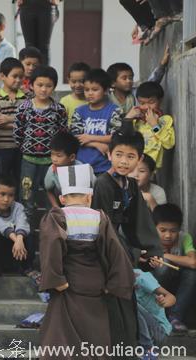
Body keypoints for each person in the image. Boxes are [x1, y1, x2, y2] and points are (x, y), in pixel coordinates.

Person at [39, 163, 135, 358]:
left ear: (62, 198)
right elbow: (115, 252)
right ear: (89, 197)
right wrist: (114, 283)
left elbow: (51, 246)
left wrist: (56, 279)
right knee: (95, 333)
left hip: (68, 283)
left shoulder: (57, 216)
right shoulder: (100, 217)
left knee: (61, 336)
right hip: (95, 283)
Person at [91, 125, 164, 350]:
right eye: (119, 155)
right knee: (112, 310)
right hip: (102, 257)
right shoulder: (103, 184)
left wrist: (152, 251)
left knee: (127, 308)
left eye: (130, 157)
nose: (124, 161)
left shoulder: (131, 185)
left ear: (139, 158)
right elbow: (102, 230)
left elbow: (139, 222)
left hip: (120, 252)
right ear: (109, 154)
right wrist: (132, 252)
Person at [13, 65, 67, 217]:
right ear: (31, 85)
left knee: (52, 199)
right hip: (28, 161)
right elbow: (18, 133)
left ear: (54, 87)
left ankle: (52, 232)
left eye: (48, 86)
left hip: (51, 162)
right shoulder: (23, 108)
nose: (43, 89)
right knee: (26, 196)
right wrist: (26, 148)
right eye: (39, 85)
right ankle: (25, 235)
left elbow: (62, 133)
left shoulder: (59, 109)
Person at [0, 176, 37, 285]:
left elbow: (22, 223)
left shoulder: (18, 207)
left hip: (19, 253)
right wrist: (17, 239)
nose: (6, 199)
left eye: (10, 195)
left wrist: (19, 238)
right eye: (2, 194)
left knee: (28, 232)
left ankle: (27, 268)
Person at [151, 203, 196, 334]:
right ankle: (156, 314)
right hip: (158, 285)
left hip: (177, 287)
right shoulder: (151, 239)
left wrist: (166, 255)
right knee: (162, 265)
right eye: (163, 230)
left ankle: (175, 317)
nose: (168, 236)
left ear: (179, 229)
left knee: (191, 273)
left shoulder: (184, 238)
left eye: (173, 230)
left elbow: (193, 262)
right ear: (155, 228)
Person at [70, 68, 122, 175]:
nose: (90, 93)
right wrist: (98, 145)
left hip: (106, 166)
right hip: (81, 165)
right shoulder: (80, 111)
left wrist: (89, 138)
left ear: (106, 90)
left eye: (94, 90)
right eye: (87, 90)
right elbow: (75, 137)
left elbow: (116, 137)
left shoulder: (114, 110)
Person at [0, 57, 26, 179]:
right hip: (2, 147)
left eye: (21, 77)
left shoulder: (27, 97)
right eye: (14, 76)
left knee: (19, 180)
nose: (18, 80)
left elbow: (29, 120)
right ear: (3, 76)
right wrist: (20, 122)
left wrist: (9, 119)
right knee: (0, 179)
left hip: (22, 148)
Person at [127, 81, 175, 169]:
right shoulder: (135, 121)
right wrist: (128, 119)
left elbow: (169, 144)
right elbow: (123, 140)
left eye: (151, 102)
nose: (146, 107)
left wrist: (155, 125)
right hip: (131, 167)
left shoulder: (165, 120)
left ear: (160, 100)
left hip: (150, 169)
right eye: (142, 103)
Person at [44, 131, 86, 208]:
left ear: (72, 157)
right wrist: (56, 208)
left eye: (59, 156)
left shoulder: (82, 169)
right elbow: (49, 190)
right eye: (52, 154)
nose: (54, 159)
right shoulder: (52, 170)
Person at [17, 0, 57, 65]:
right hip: (27, 6)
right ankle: (30, 73)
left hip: (46, 6)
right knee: (29, 47)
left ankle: (44, 74)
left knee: (44, 47)